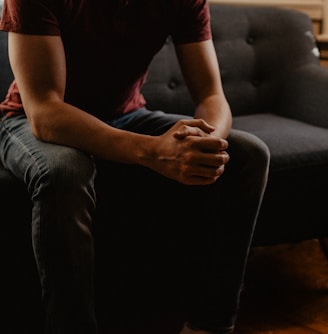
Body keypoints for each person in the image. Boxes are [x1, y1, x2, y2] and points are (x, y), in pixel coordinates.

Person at [0, 0, 270, 333]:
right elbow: (44, 112)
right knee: (66, 172)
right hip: (29, 119)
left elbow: (213, 96)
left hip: (127, 115)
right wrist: (155, 152)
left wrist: (204, 145)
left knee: (249, 155)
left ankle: (210, 324)